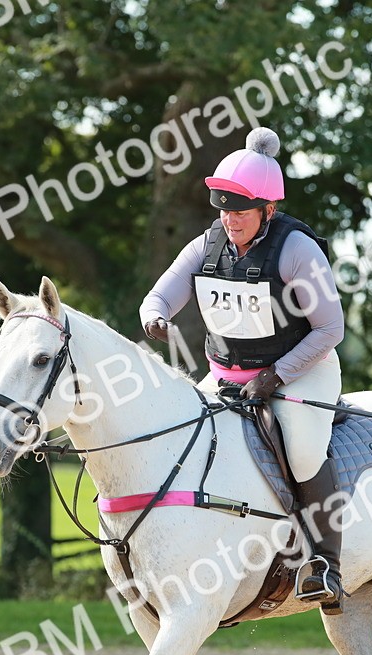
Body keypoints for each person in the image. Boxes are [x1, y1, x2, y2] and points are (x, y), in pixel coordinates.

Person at [139, 127, 346, 605]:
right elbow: (162, 292)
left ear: (268, 211)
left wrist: (275, 376)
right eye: (223, 209)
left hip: (302, 368)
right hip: (229, 373)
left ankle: (324, 564)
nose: (229, 219)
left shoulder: (296, 249)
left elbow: (329, 330)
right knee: (188, 438)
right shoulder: (207, 245)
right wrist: (155, 315)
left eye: (239, 211)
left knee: (302, 452)